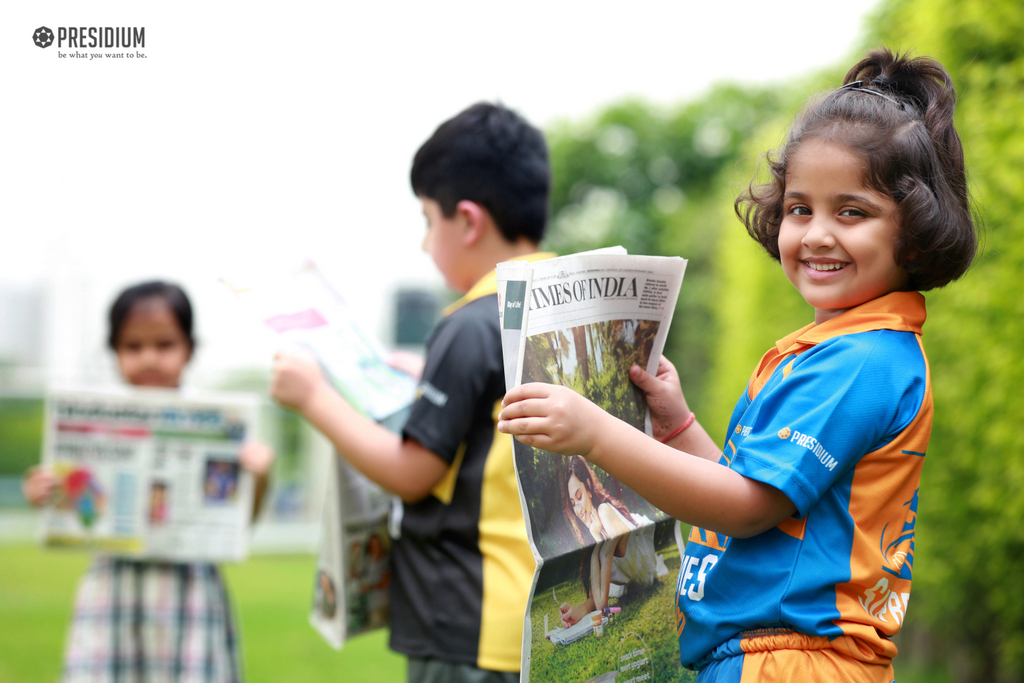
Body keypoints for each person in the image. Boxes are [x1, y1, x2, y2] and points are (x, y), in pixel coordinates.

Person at [497, 48, 978, 682]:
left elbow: (746, 507)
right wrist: (677, 427)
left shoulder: (863, 360)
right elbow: (755, 497)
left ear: (915, 229)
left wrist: (595, 433)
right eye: (800, 208)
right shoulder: (833, 348)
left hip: (793, 661)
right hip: (765, 656)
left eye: (852, 212)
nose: (816, 234)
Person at [271, 102, 552, 682]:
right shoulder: (562, 305)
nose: (426, 243)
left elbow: (411, 473)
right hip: (541, 615)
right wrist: (430, 371)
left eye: (429, 220)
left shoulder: (470, 322)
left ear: (468, 221)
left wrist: (313, 397)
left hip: (465, 628)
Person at [22, 280, 275, 683]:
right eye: (133, 347)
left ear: (189, 349)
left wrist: (260, 476)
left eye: (164, 344)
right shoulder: (95, 419)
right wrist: (43, 490)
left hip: (191, 593)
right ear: (116, 352)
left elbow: (240, 524)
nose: (149, 359)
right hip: (112, 589)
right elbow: (78, 502)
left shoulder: (220, 422)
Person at [558, 455, 657, 627]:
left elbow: (602, 605)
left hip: (644, 563)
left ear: (589, 488)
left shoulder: (604, 512)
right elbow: (596, 598)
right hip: (635, 576)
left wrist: (597, 544)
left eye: (579, 497)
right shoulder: (594, 529)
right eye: (573, 503)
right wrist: (580, 609)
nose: (579, 510)